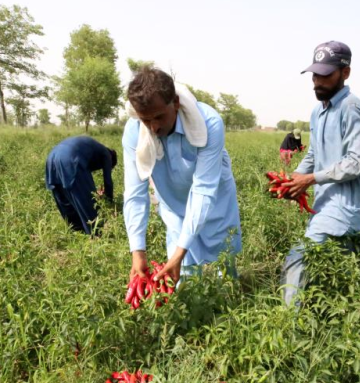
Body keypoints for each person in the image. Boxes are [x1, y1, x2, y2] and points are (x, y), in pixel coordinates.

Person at [122, 67, 242, 284]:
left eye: (159, 117)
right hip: (173, 202)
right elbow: (135, 193)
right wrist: (137, 251)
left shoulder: (208, 123)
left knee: (224, 265)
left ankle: (229, 303)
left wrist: (179, 253)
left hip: (214, 199)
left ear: (175, 103)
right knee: (183, 277)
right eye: (146, 120)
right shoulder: (134, 131)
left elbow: (204, 189)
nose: (154, 127)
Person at [279, 41, 360, 305]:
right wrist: (294, 179)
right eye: (314, 75)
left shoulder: (350, 108)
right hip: (325, 203)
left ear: (345, 73)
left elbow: (358, 162)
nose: (317, 82)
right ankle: (342, 311)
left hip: (344, 205)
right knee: (338, 268)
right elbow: (313, 154)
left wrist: (310, 179)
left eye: (325, 75)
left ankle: (288, 325)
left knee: (298, 257)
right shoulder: (318, 112)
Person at [45, 136, 117, 234]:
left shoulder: (92, 148)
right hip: (70, 158)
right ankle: (95, 234)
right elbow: (107, 181)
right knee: (87, 200)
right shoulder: (107, 154)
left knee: (63, 196)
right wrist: (109, 202)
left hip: (52, 157)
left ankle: (76, 230)